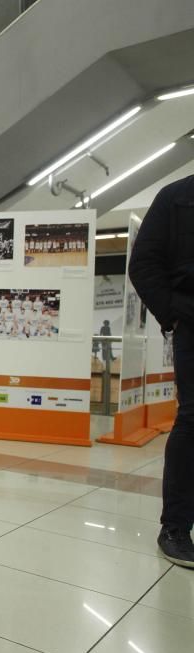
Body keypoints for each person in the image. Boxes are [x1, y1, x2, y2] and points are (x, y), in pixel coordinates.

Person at [128, 173, 194, 568]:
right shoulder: (176, 197)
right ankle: (175, 527)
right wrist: (176, 315)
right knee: (192, 421)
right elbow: (144, 264)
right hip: (193, 325)